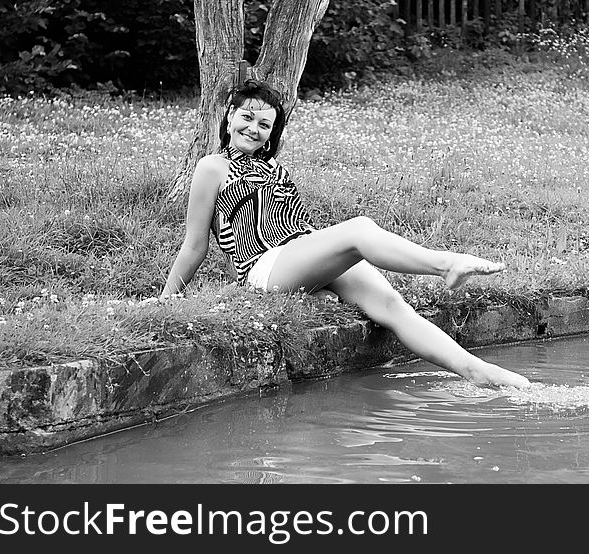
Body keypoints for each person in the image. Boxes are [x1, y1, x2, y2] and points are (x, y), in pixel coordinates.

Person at [161, 79, 530, 389]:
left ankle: (473, 369)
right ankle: (444, 264)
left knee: (392, 306)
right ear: (229, 117)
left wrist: (318, 269)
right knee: (359, 229)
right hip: (263, 267)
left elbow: (288, 222)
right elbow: (196, 244)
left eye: (264, 125)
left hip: (301, 254)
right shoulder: (212, 167)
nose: (253, 129)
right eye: (247, 118)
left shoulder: (273, 166)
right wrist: (166, 299)